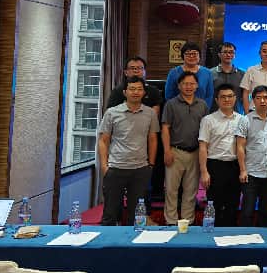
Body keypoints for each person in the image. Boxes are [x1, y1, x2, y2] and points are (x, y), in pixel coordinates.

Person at [97, 76, 159, 226]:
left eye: (139, 89)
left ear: (144, 92)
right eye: (132, 89)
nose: (136, 92)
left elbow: (152, 139)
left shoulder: (150, 113)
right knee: (110, 213)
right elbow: (103, 140)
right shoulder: (112, 112)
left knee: (136, 214)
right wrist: (104, 166)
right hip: (116, 168)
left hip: (140, 169)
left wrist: (150, 164)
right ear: (125, 92)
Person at [160, 71, 209, 225]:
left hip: (196, 152)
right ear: (179, 86)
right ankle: (171, 221)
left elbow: (207, 130)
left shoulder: (202, 105)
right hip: (175, 151)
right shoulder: (171, 104)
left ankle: (187, 221)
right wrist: (167, 151)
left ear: (197, 86)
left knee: (191, 190)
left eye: (192, 84)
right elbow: (165, 128)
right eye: (185, 84)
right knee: (171, 189)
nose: (189, 87)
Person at [198, 84, 243, 227]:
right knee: (215, 204)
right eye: (223, 97)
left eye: (230, 96)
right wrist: (204, 172)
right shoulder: (208, 120)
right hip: (215, 165)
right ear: (217, 100)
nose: (227, 100)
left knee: (233, 203)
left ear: (235, 98)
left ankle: (230, 234)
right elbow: (203, 147)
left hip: (235, 165)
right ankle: (213, 235)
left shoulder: (242, 119)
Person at [236, 85, 267, 226]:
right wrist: (242, 170)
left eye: (266, 97)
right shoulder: (245, 120)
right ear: (253, 100)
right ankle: (245, 238)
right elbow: (240, 146)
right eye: (258, 98)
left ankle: (263, 238)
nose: (262, 101)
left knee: (266, 211)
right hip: (251, 173)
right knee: (247, 211)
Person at [164, 42, 214, 107]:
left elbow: (209, 95)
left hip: (201, 109)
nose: (191, 56)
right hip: (178, 109)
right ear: (182, 56)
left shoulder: (207, 73)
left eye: (194, 54)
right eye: (188, 54)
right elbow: (169, 95)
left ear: (199, 56)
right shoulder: (174, 72)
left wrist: (204, 109)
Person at [240, 40, 267, 112]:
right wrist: (247, 113)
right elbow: (245, 93)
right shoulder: (251, 70)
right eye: (264, 51)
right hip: (253, 111)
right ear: (260, 53)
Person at [210, 42, 245, 113]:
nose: (228, 55)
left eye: (231, 52)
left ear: (234, 55)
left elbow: (245, 96)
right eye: (225, 52)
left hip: (237, 114)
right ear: (219, 54)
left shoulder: (242, 74)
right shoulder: (210, 73)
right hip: (215, 114)